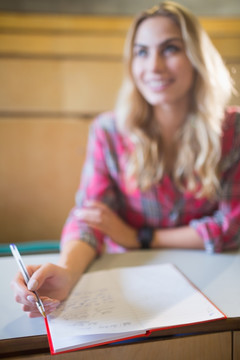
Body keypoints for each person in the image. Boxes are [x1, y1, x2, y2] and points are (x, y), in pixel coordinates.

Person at [11, 1, 240, 317]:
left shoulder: (233, 130)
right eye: (142, 52)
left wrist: (139, 238)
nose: (154, 66)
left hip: (217, 284)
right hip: (129, 282)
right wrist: (66, 272)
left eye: (170, 49)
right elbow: (89, 220)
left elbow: (232, 225)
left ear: (197, 57)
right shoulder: (108, 131)